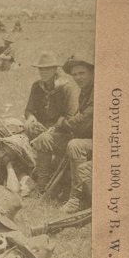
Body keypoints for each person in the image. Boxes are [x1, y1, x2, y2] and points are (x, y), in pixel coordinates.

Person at [25, 51, 80, 191]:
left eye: (47, 68)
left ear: (55, 69)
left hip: (62, 132)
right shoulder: (37, 86)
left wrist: (55, 128)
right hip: (43, 128)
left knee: (43, 139)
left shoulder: (66, 88)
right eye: (41, 69)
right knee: (24, 129)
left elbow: (71, 118)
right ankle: (33, 168)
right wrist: (31, 118)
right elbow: (29, 109)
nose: (43, 72)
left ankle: (42, 183)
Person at [53, 57, 94, 212]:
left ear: (92, 72)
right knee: (47, 139)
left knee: (75, 145)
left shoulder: (98, 91)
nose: (78, 77)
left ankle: (77, 198)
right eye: (75, 74)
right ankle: (43, 187)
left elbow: (83, 119)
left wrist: (64, 123)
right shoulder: (84, 92)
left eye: (82, 73)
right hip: (88, 137)